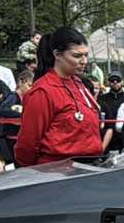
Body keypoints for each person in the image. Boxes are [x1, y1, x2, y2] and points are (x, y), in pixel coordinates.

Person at [15, 27, 104, 167]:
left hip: (87, 166)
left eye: (86, 55)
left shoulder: (79, 84)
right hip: (57, 170)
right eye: (77, 56)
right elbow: (27, 144)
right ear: (57, 54)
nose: (84, 61)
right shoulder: (43, 91)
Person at [0, 70, 31, 164]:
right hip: (11, 137)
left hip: (21, 137)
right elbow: (3, 109)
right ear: (21, 82)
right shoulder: (13, 97)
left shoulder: (28, 99)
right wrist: (22, 114)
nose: (31, 89)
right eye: (29, 85)